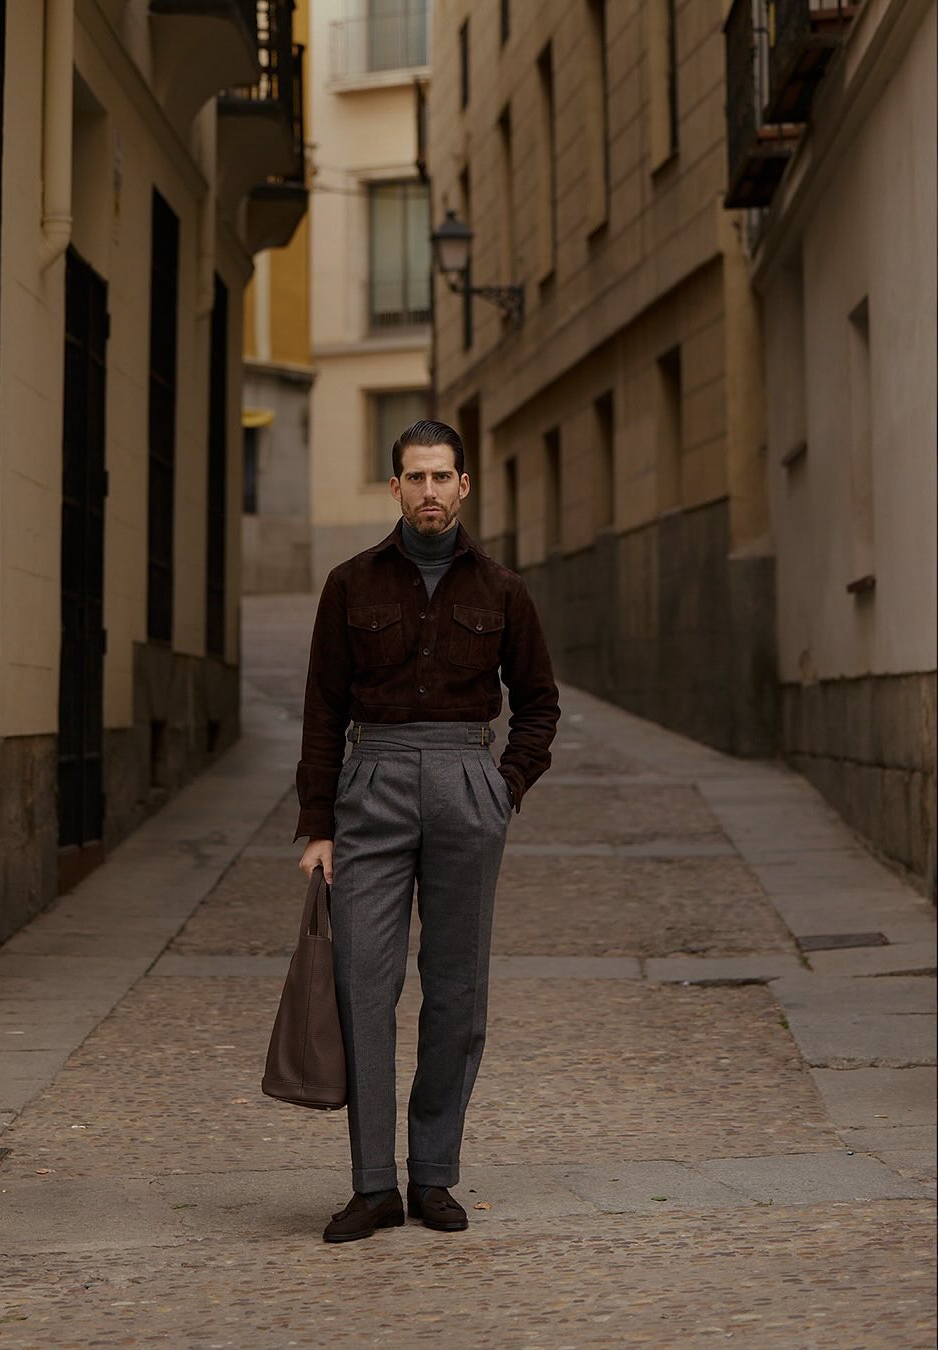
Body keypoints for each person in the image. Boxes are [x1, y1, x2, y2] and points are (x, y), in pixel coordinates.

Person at [294, 419, 560, 1243]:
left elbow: (540, 707)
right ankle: (373, 1185)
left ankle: (434, 1175)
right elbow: (322, 710)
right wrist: (317, 824)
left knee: (456, 992)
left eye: (444, 477)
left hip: (465, 786)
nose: (431, 492)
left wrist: (501, 786)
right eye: (416, 477)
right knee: (361, 985)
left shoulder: (504, 591)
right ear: (396, 488)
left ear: (464, 486)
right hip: (368, 787)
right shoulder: (350, 584)